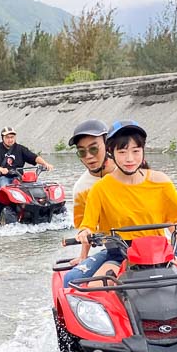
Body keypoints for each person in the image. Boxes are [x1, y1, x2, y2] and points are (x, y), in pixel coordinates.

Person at [73, 120, 177, 280]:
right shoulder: (99, 189)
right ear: (111, 152)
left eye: (136, 151)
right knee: (73, 280)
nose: (129, 159)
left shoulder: (160, 181)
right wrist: (84, 232)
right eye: (122, 152)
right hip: (119, 254)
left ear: (143, 150)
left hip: (159, 251)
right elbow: (87, 224)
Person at [61, 120, 116, 286]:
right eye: (82, 152)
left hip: (152, 245)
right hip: (116, 249)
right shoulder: (81, 188)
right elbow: (85, 226)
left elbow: (165, 208)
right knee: (70, 281)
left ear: (107, 145)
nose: (89, 156)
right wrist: (83, 257)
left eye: (94, 148)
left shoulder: (129, 171)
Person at [0, 126, 54, 190]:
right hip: (3, 177)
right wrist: (0, 169)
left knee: (39, 185)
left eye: (12, 137)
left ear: (15, 137)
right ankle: (4, 201)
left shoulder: (20, 149)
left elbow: (34, 157)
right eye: (7, 137)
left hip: (19, 177)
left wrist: (45, 163)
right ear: (2, 138)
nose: (10, 139)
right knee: (5, 187)